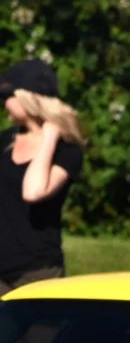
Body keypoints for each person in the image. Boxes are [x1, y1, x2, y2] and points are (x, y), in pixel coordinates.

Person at [0, 59, 85, 292]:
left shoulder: (67, 150)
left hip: (37, 272)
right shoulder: (4, 140)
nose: (3, 102)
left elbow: (34, 191)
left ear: (28, 97)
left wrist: (48, 137)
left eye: (7, 95)